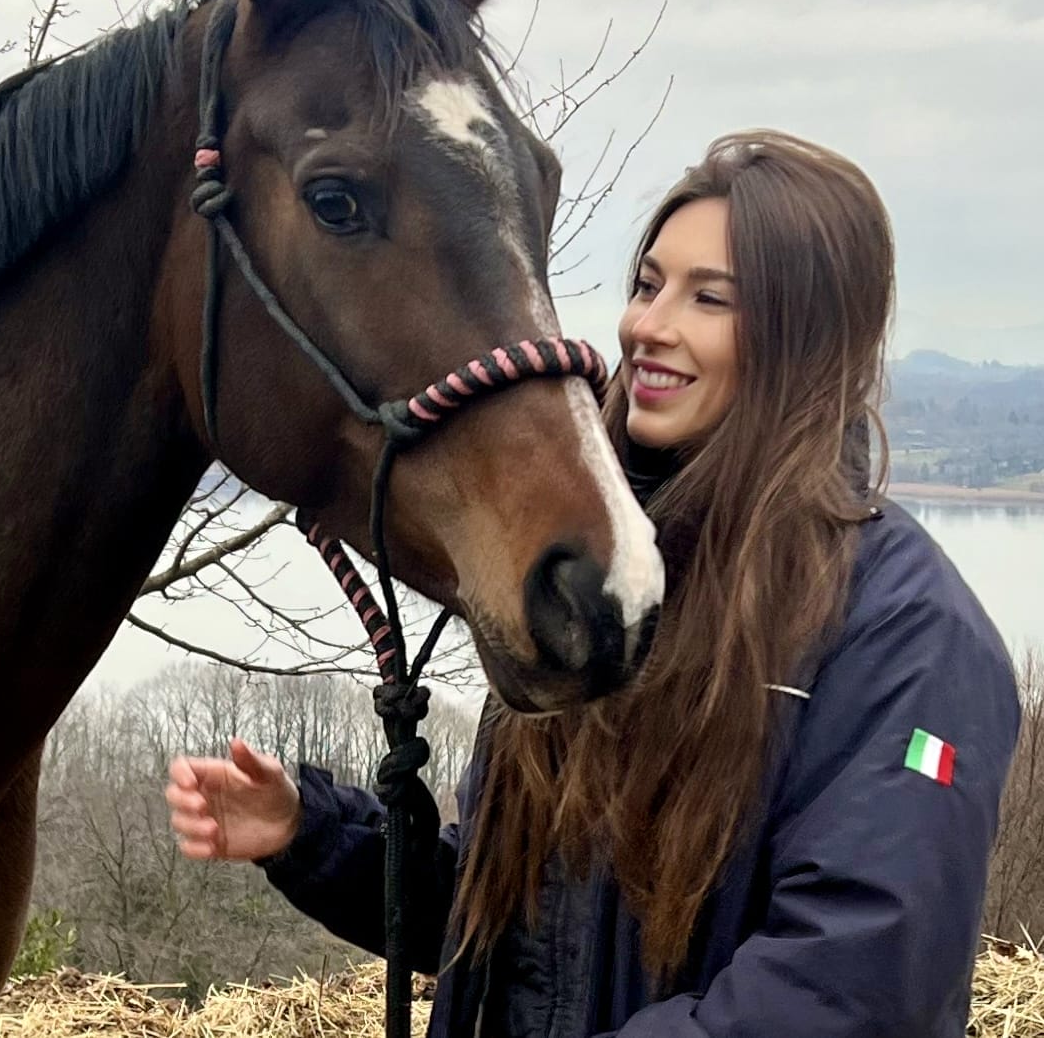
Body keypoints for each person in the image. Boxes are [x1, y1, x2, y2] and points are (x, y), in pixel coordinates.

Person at [165, 131, 1020, 1038]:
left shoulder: (907, 632)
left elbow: (851, 988)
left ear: (804, 334)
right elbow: (516, 926)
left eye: (709, 299)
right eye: (647, 285)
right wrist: (313, 835)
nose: (648, 324)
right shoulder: (601, 579)